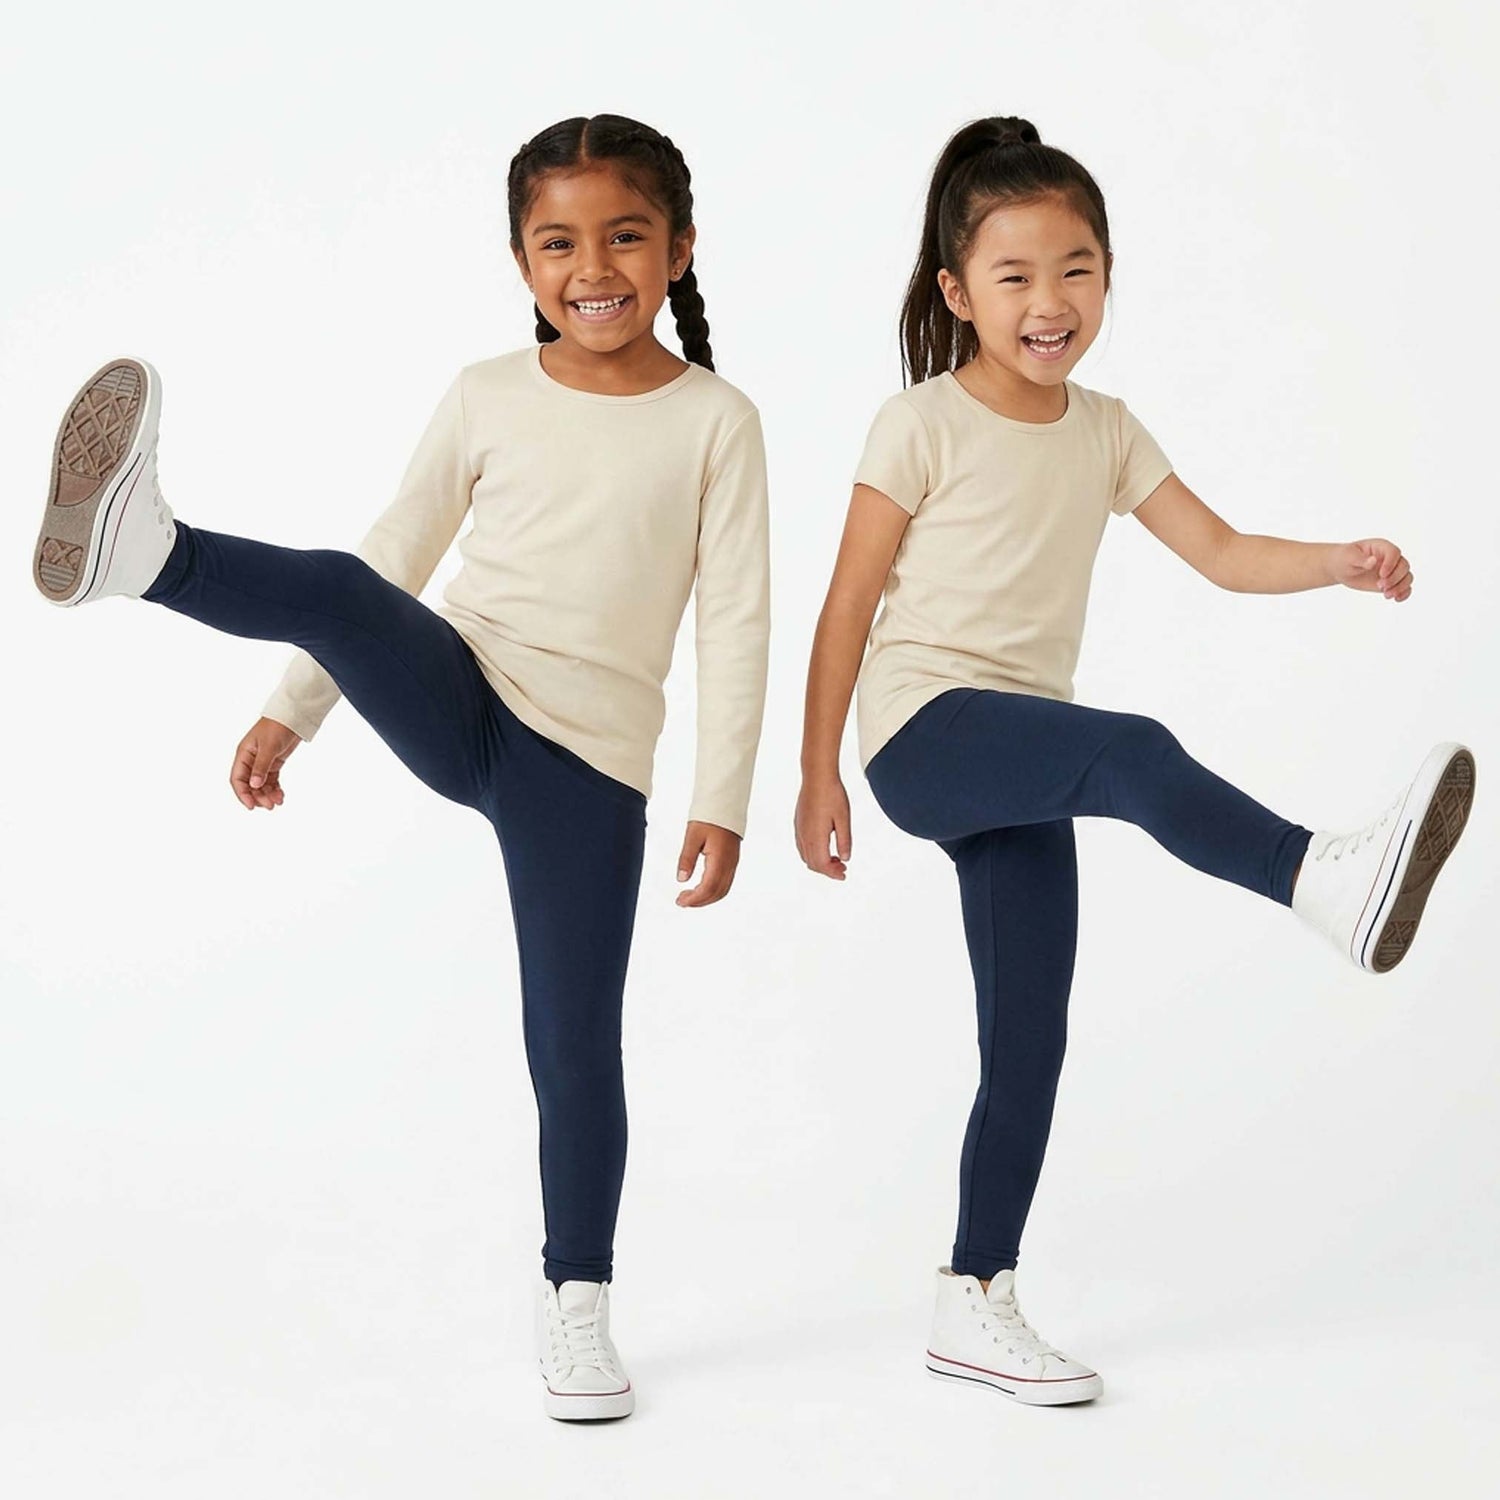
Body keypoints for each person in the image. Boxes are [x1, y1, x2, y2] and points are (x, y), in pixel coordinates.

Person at [31, 114, 771, 1423]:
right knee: (333, 582)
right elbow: (392, 561)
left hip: (584, 765)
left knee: (572, 1041)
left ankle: (577, 1300)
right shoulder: (487, 393)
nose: (592, 267)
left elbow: (739, 617)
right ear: (521, 261)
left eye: (625, 235)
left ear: (680, 248)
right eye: (558, 243)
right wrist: (293, 711)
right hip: (459, 689)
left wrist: (722, 797)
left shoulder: (717, 421)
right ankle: (147, 555)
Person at [794, 114, 1474, 1407]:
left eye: (1078, 270)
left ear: (1107, 276)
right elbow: (845, 607)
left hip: (1022, 757)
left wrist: (1337, 560)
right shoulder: (919, 423)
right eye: (1014, 276)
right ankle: (1320, 879)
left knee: (1028, 1044)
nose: (1050, 302)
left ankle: (972, 1300)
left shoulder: (1106, 429)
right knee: (1130, 749)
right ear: (957, 292)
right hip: (928, 734)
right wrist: (818, 772)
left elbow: (1220, 552)